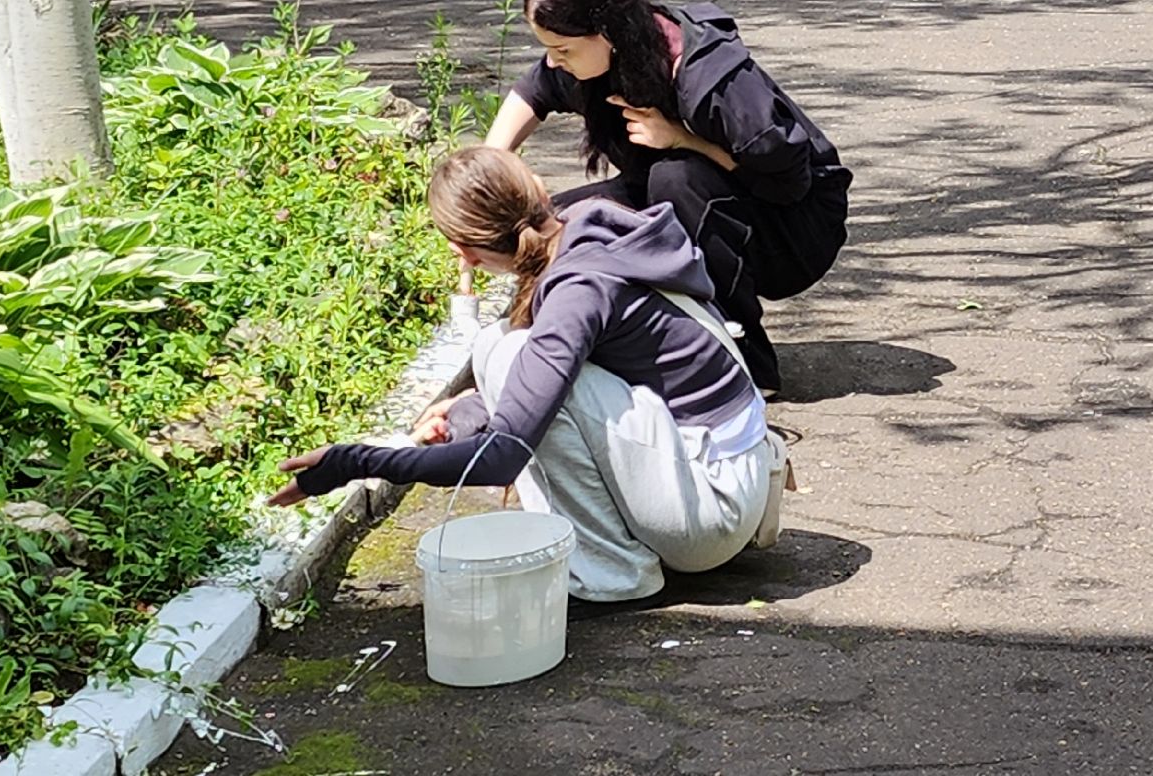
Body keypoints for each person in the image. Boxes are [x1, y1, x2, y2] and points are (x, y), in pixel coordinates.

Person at [267, 146, 788, 607]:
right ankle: (607, 554)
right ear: (536, 190)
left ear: (464, 252)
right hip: (719, 475)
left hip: (714, 509)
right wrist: (469, 412)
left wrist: (356, 462)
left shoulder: (578, 289)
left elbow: (504, 455)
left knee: (509, 353)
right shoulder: (582, 227)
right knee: (499, 347)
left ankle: (611, 576)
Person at [484, 0, 851, 396]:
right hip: (697, 191)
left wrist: (683, 138)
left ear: (607, 31)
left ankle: (747, 363)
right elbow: (534, 92)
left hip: (792, 227)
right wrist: (488, 168)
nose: (554, 61)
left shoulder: (713, 81)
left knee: (675, 177)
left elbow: (790, 180)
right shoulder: (606, 57)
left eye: (562, 49)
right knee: (557, 224)